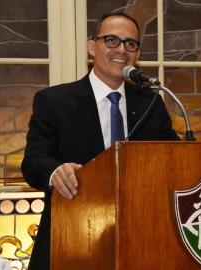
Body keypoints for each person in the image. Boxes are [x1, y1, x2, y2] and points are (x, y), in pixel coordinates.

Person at [21, 11, 179, 270]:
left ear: (137, 54)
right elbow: (34, 162)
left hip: (141, 242)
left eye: (130, 44)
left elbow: (174, 160)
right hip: (72, 237)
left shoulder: (151, 103)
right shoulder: (54, 102)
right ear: (91, 46)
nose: (121, 50)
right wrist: (55, 172)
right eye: (111, 41)